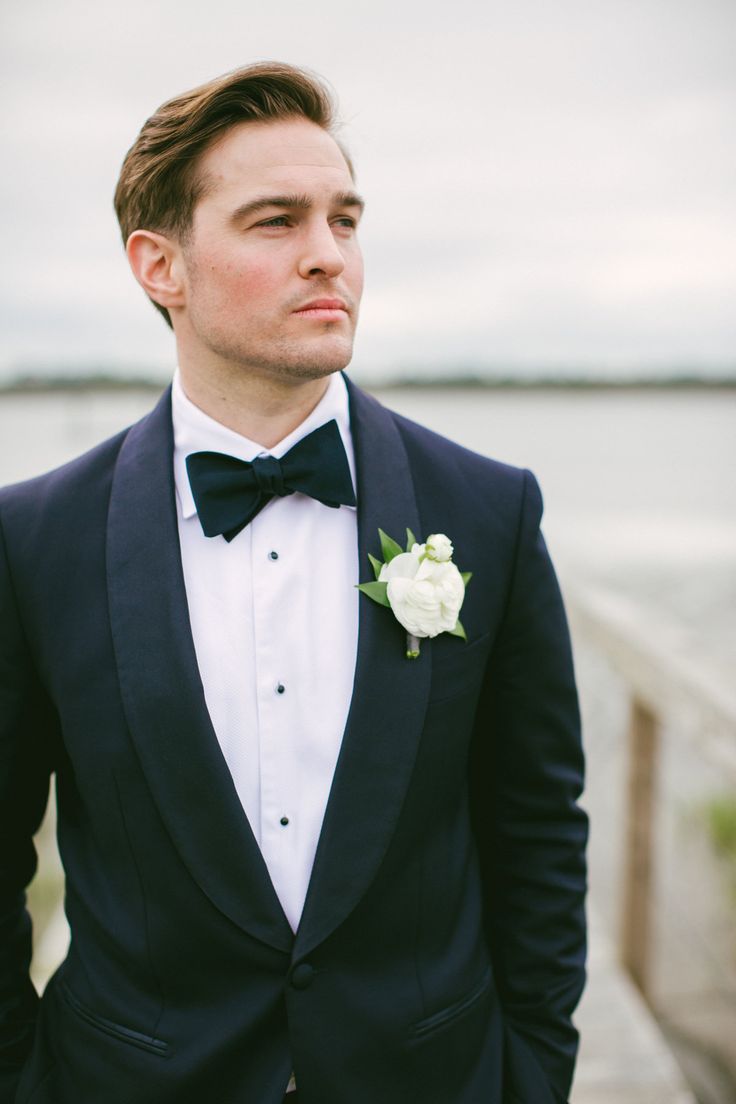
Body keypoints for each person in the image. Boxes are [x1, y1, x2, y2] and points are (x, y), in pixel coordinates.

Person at [0, 62, 588, 1104]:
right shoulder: (31, 539)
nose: (329, 257)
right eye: (275, 222)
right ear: (159, 266)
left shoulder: (491, 513)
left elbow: (537, 827)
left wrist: (532, 1073)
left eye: (345, 220)